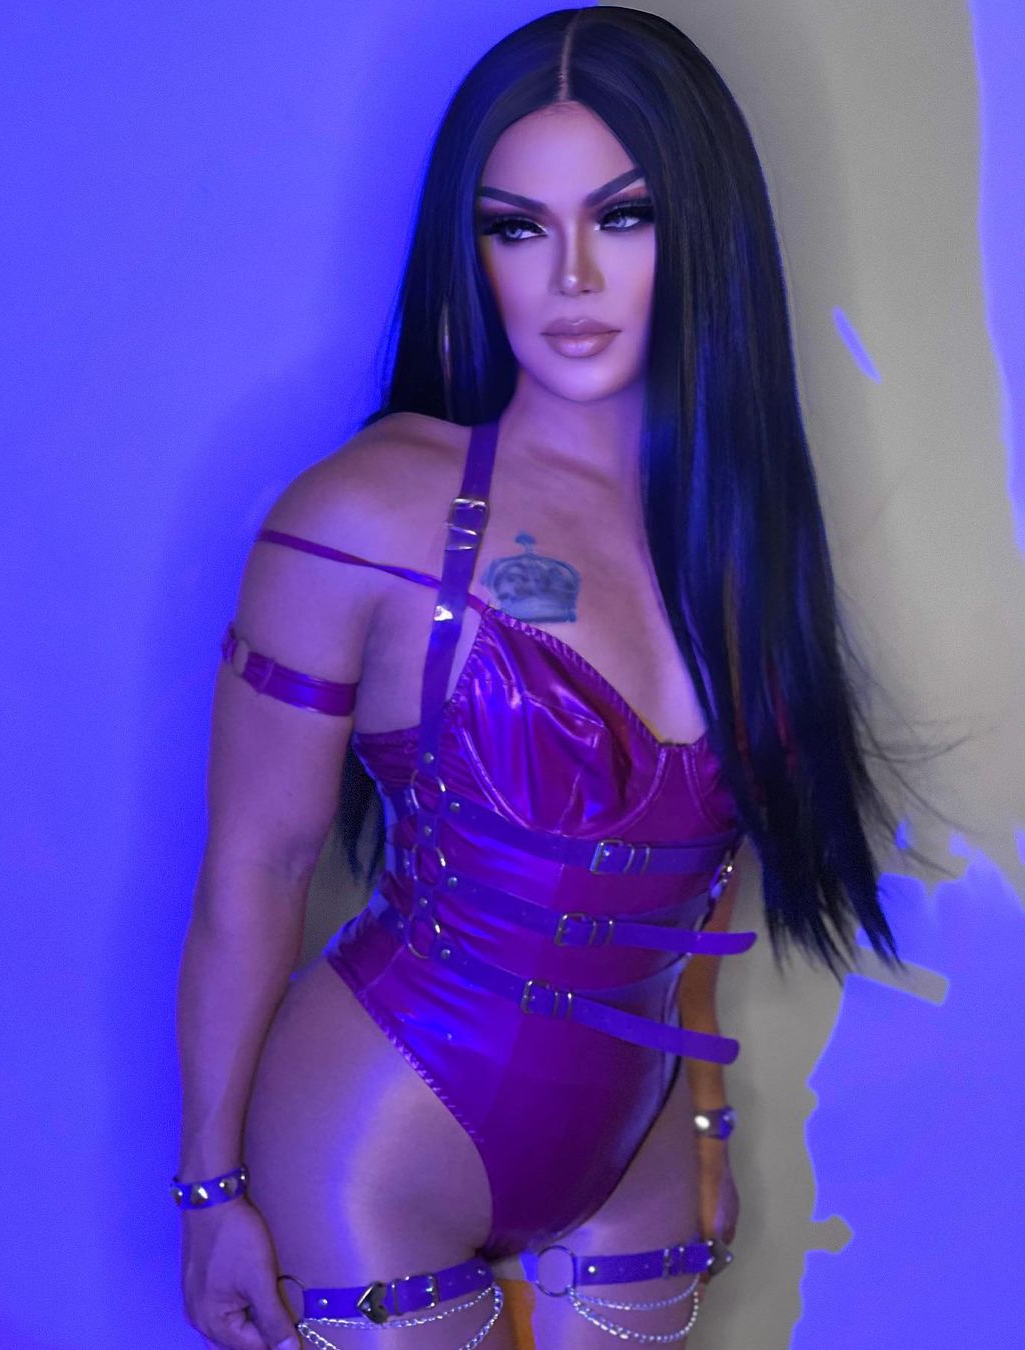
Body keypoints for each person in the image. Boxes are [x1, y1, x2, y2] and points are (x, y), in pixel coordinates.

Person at [174, 8, 904, 1348]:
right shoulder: (363, 516)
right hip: (379, 1120)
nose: (570, 275)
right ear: (473, 251)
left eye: (622, 217)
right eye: (518, 228)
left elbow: (703, 874)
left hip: (635, 1136)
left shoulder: (740, 538)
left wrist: (705, 1117)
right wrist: (209, 1189)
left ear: (703, 231)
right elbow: (258, 865)